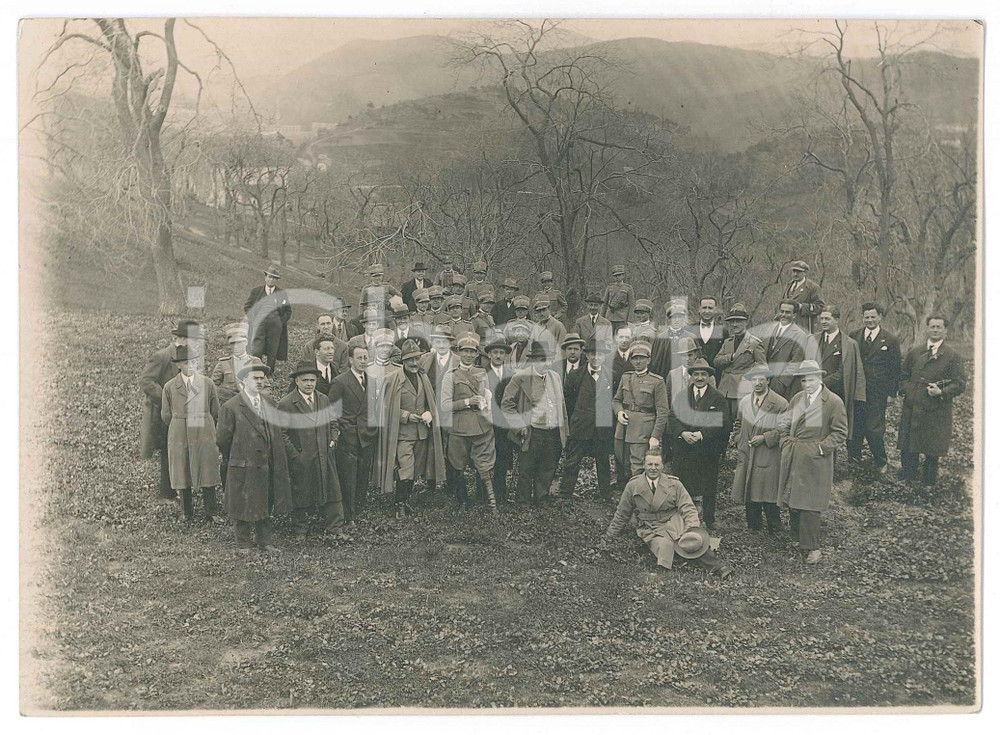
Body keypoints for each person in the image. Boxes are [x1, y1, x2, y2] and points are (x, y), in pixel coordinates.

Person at [602, 450, 733, 577]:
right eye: (650, 464)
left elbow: (687, 507)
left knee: (691, 541)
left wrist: (692, 527)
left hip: (674, 521)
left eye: (657, 464)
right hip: (650, 526)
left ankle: (719, 567)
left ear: (663, 466)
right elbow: (622, 514)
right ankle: (667, 570)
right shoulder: (633, 486)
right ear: (644, 465)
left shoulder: (674, 484)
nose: (653, 468)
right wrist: (609, 537)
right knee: (665, 545)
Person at [216, 357, 291, 552]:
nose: (259, 381)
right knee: (242, 501)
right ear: (243, 382)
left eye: (262, 378)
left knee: (265, 499)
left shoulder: (269, 403)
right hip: (243, 463)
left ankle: (264, 541)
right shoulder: (231, 407)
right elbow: (222, 439)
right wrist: (237, 455)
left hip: (266, 463)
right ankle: (243, 543)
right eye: (255, 378)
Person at [778, 360, 848, 564]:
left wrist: (820, 448)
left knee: (810, 503)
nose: (806, 383)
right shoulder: (798, 398)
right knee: (793, 498)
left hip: (815, 459)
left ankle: (812, 548)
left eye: (811, 379)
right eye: (803, 380)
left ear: (819, 378)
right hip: (794, 454)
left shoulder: (833, 402)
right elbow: (785, 421)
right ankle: (796, 538)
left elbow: (840, 432)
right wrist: (784, 440)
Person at [277, 361, 346, 539]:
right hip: (302, 456)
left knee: (332, 490)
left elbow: (333, 422)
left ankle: (335, 528)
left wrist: (333, 439)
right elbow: (281, 433)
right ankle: (301, 528)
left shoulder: (323, 399)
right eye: (305, 380)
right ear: (297, 381)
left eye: (312, 380)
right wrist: (295, 454)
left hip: (324, 453)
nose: (309, 384)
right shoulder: (287, 403)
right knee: (301, 491)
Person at [379, 340, 446, 519]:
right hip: (403, 434)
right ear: (403, 361)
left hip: (421, 433)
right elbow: (386, 408)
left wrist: (428, 412)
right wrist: (406, 416)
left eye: (416, 359)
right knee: (406, 469)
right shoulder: (392, 380)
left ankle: (406, 500)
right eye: (410, 360)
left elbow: (429, 402)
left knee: (415, 470)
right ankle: (398, 504)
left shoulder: (423, 377)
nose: (414, 363)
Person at [897, 315, 967, 486]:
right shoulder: (915, 351)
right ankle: (908, 477)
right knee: (909, 443)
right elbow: (903, 376)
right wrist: (909, 390)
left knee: (932, 447)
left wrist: (941, 392)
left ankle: (928, 483)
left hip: (936, 408)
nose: (935, 330)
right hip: (913, 406)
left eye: (939, 327)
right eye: (932, 327)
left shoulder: (952, 356)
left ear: (945, 331)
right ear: (927, 329)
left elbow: (960, 383)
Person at [140, 319, 202, 500]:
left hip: (183, 412)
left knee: (180, 449)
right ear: (179, 338)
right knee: (169, 451)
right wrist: (167, 399)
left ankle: (179, 488)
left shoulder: (188, 357)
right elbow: (146, 381)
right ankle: (167, 492)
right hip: (163, 414)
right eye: (191, 339)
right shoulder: (162, 356)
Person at [501, 340, 569, 505]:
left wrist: (564, 430)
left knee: (547, 467)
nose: (545, 364)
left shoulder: (555, 377)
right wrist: (519, 426)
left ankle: (542, 498)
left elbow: (562, 406)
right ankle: (522, 501)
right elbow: (506, 405)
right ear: (532, 360)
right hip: (532, 431)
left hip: (552, 431)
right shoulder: (520, 378)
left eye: (548, 360)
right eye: (541, 360)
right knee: (526, 469)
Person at [161, 345, 222, 523]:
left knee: (207, 468)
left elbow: (215, 410)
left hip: (203, 429)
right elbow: (166, 414)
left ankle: (212, 511)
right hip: (179, 431)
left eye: (194, 362)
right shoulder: (170, 387)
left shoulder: (207, 383)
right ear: (179, 365)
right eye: (186, 363)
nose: (191, 366)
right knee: (182, 469)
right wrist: (180, 423)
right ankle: (186, 512)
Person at [667, 358, 730, 531]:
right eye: (696, 374)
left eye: (704, 374)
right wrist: (683, 433)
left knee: (708, 485)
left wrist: (702, 434)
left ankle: (709, 519)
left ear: (710, 377)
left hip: (706, 449)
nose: (700, 378)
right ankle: (683, 517)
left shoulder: (717, 398)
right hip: (684, 449)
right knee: (683, 483)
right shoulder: (682, 396)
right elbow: (672, 417)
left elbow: (722, 421)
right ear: (691, 376)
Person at [441, 333, 499, 513]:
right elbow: (444, 406)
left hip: (481, 426)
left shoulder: (482, 373)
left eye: (471, 352)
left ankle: (490, 503)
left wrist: (485, 404)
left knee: (485, 465)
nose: (468, 355)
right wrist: (467, 402)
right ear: (458, 353)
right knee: (458, 465)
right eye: (464, 351)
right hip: (459, 427)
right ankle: (463, 501)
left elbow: (487, 396)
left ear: (476, 355)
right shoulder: (450, 376)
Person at [731, 363, 789, 534]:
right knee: (749, 489)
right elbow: (738, 424)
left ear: (768, 381)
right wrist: (738, 440)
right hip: (748, 453)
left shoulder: (780, 403)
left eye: (761, 379)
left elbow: (785, 429)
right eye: (754, 379)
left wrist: (765, 438)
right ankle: (753, 526)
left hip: (768, 454)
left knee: (767, 490)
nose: (757, 383)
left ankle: (775, 528)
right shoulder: (744, 402)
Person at [327, 342, 378, 525]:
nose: (363, 361)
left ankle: (359, 511)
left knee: (363, 476)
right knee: (348, 478)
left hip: (367, 437)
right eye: (359, 358)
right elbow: (332, 411)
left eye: (366, 357)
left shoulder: (371, 380)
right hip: (349, 437)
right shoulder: (340, 381)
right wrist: (345, 429)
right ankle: (349, 516)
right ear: (350, 360)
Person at [848, 303, 902, 473]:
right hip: (856, 389)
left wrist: (892, 393)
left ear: (880, 317)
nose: (869, 320)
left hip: (877, 391)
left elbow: (895, 368)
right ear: (862, 317)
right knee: (855, 424)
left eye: (873, 316)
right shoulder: (854, 336)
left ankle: (880, 461)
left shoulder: (890, 340)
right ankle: (853, 458)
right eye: (866, 317)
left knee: (874, 427)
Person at [560, 338, 615, 501]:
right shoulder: (575, 375)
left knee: (603, 461)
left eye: (600, 354)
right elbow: (568, 402)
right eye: (592, 354)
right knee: (573, 460)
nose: (596, 358)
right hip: (581, 425)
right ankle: (565, 494)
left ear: (604, 357)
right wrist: (576, 420)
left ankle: (605, 495)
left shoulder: (612, 376)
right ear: (587, 355)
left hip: (602, 428)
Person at [806, 305, 866, 447]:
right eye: (822, 319)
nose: (824, 322)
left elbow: (842, 372)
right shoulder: (812, 339)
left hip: (835, 393)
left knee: (832, 430)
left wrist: (820, 383)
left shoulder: (848, 344)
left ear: (837, 320)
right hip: (813, 392)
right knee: (814, 428)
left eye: (828, 318)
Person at [612, 340, 669, 477]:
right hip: (623, 428)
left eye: (642, 358)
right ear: (631, 360)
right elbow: (616, 400)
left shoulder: (657, 381)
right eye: (635, 358)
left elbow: (662, 411)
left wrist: (655, 436)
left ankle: (638, 495)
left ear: (648, 359)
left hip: (642, 429)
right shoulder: (626, 377)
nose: (638, 361)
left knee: (637, 465)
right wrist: (619, 412)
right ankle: (627, 489)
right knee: (621, 460)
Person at [714, 303, 767, 418]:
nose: (734, 324)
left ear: (746, 322)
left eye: (738, 321)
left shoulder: (754, 343)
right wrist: (730, 357)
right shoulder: (727, 342)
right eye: (732, 321)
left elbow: (763, 368)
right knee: (723, 423)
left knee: (739, 422)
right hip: (724, 389)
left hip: (742, 391)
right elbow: (716, 361)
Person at [483, 334, 516, 504]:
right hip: (486, 423)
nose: (498, 356)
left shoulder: (511, 374)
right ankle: (483, 495)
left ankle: (500, 494)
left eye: (501, 353)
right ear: (489, 354)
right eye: (494, 352)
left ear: (505, 355)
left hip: (504, 424)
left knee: (502, 458)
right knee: (485, 458)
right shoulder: (482, 373)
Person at [244, 263, 292, 367]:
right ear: (265, 277)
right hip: (259, 323)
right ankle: (256, 368)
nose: (271, 280)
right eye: (270, 277)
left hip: (275, 325)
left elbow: (288, 310)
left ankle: (270, 370)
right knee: (256, 347)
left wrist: (281, 321)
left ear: (277, 280)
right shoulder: (256, 291)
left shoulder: (282, 293)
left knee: (273, 348)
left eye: (274, 278)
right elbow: (247, 307)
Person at [765, 299, 808, 400]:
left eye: (788, 312)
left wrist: (780, 384)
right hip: (765, 381)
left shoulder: (800, 335)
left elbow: (795, 362)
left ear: (794, 315)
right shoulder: (770, 329)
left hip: (784, 387)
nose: (784, 315)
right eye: (782, 311)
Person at [649, 299, 693, 379]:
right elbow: (655, 362)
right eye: (673, 317)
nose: (676, 320)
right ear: (668, 319)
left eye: (679, 317)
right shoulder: (660, 338)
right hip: (664, 379)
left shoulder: (691, 337)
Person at [783, 260, 824, 333]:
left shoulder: (812, 287)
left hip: (804, 326)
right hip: (787, 325)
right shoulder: (788, 285)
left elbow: (820, 307)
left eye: (798, 272)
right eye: (794, 271)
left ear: (805, 273)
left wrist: (801, 307)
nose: (795, 274)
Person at [692, 296, 728, 368]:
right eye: (704, 308)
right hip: (694, 374)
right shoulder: (690, 330)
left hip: (717, 375)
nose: (707, 311)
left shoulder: (723, 331)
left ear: (715, 310)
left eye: (710, 308)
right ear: (699, 309)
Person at [601, 265, 635, 335]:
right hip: (609, 317)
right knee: (609, 337)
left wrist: (629, 320)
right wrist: (601, 318)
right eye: (615, 276)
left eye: (619, 275)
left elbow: (632, 305)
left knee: (621, 337)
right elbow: (604, 304)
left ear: (623, 276)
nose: (617, 277)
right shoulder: (609, 287)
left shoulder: (628, 288)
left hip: (622, 318)